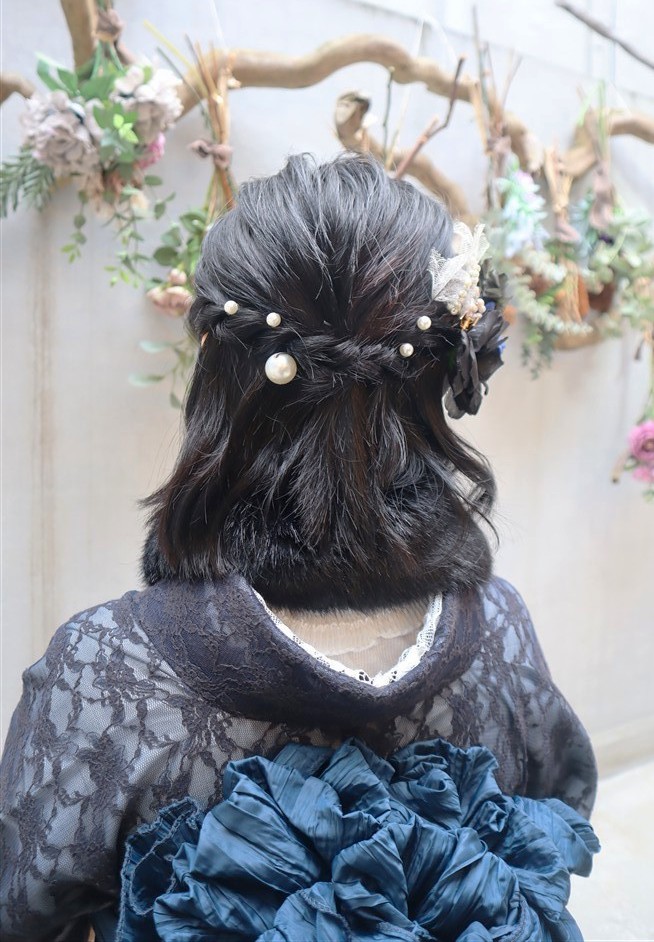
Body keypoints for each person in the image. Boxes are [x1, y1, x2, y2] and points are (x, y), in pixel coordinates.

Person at [0, 154, 597, 941]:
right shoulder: (505, 634)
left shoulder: (103, 677)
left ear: (219, 368)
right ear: (437, 379)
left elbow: (24, 912)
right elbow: (556, 832)